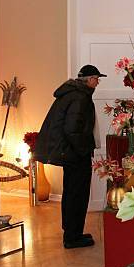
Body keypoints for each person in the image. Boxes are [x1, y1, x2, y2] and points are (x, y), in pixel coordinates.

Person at [34, 65, 106, 249]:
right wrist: (83, 151)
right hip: (76, 155)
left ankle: (72, 232)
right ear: (89, 79)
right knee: (77, 195)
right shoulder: (81, 98)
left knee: (71, 193)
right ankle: (73, 237)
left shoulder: (73, 94)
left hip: (71, 153)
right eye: (97, 78)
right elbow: (72, 129)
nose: (97, 82)